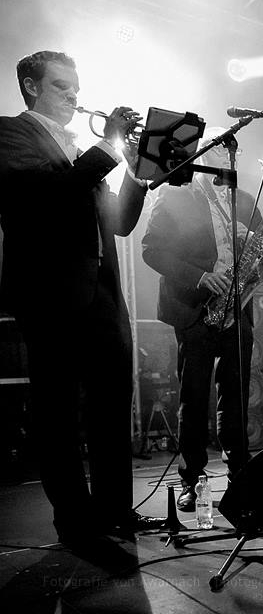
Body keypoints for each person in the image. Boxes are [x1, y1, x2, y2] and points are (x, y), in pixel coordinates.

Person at [0, 50, 161, 544]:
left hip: (104, 296)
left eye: (76, 88)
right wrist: (110, 143)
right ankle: (73, 520)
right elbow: (49, 194)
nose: (74, 96)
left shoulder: (78, 150)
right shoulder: (11, 133)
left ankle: (115, 510)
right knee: (59, 412)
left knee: (112, 406)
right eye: (61, 87)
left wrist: (136, 171)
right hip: (49, 294)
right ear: (31, 87)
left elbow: (120, 223)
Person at [141, 127, 263, 511]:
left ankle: (240, 475)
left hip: (238, 307)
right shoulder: (175, 193)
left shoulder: (244, 200)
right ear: (202, 152)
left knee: (237, 398)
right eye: (221, 148)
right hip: (194, 308)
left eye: (234, 150)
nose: (230, 155)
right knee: (194, 397)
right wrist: (200, 276)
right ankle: (193, 480)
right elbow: (151, 250)